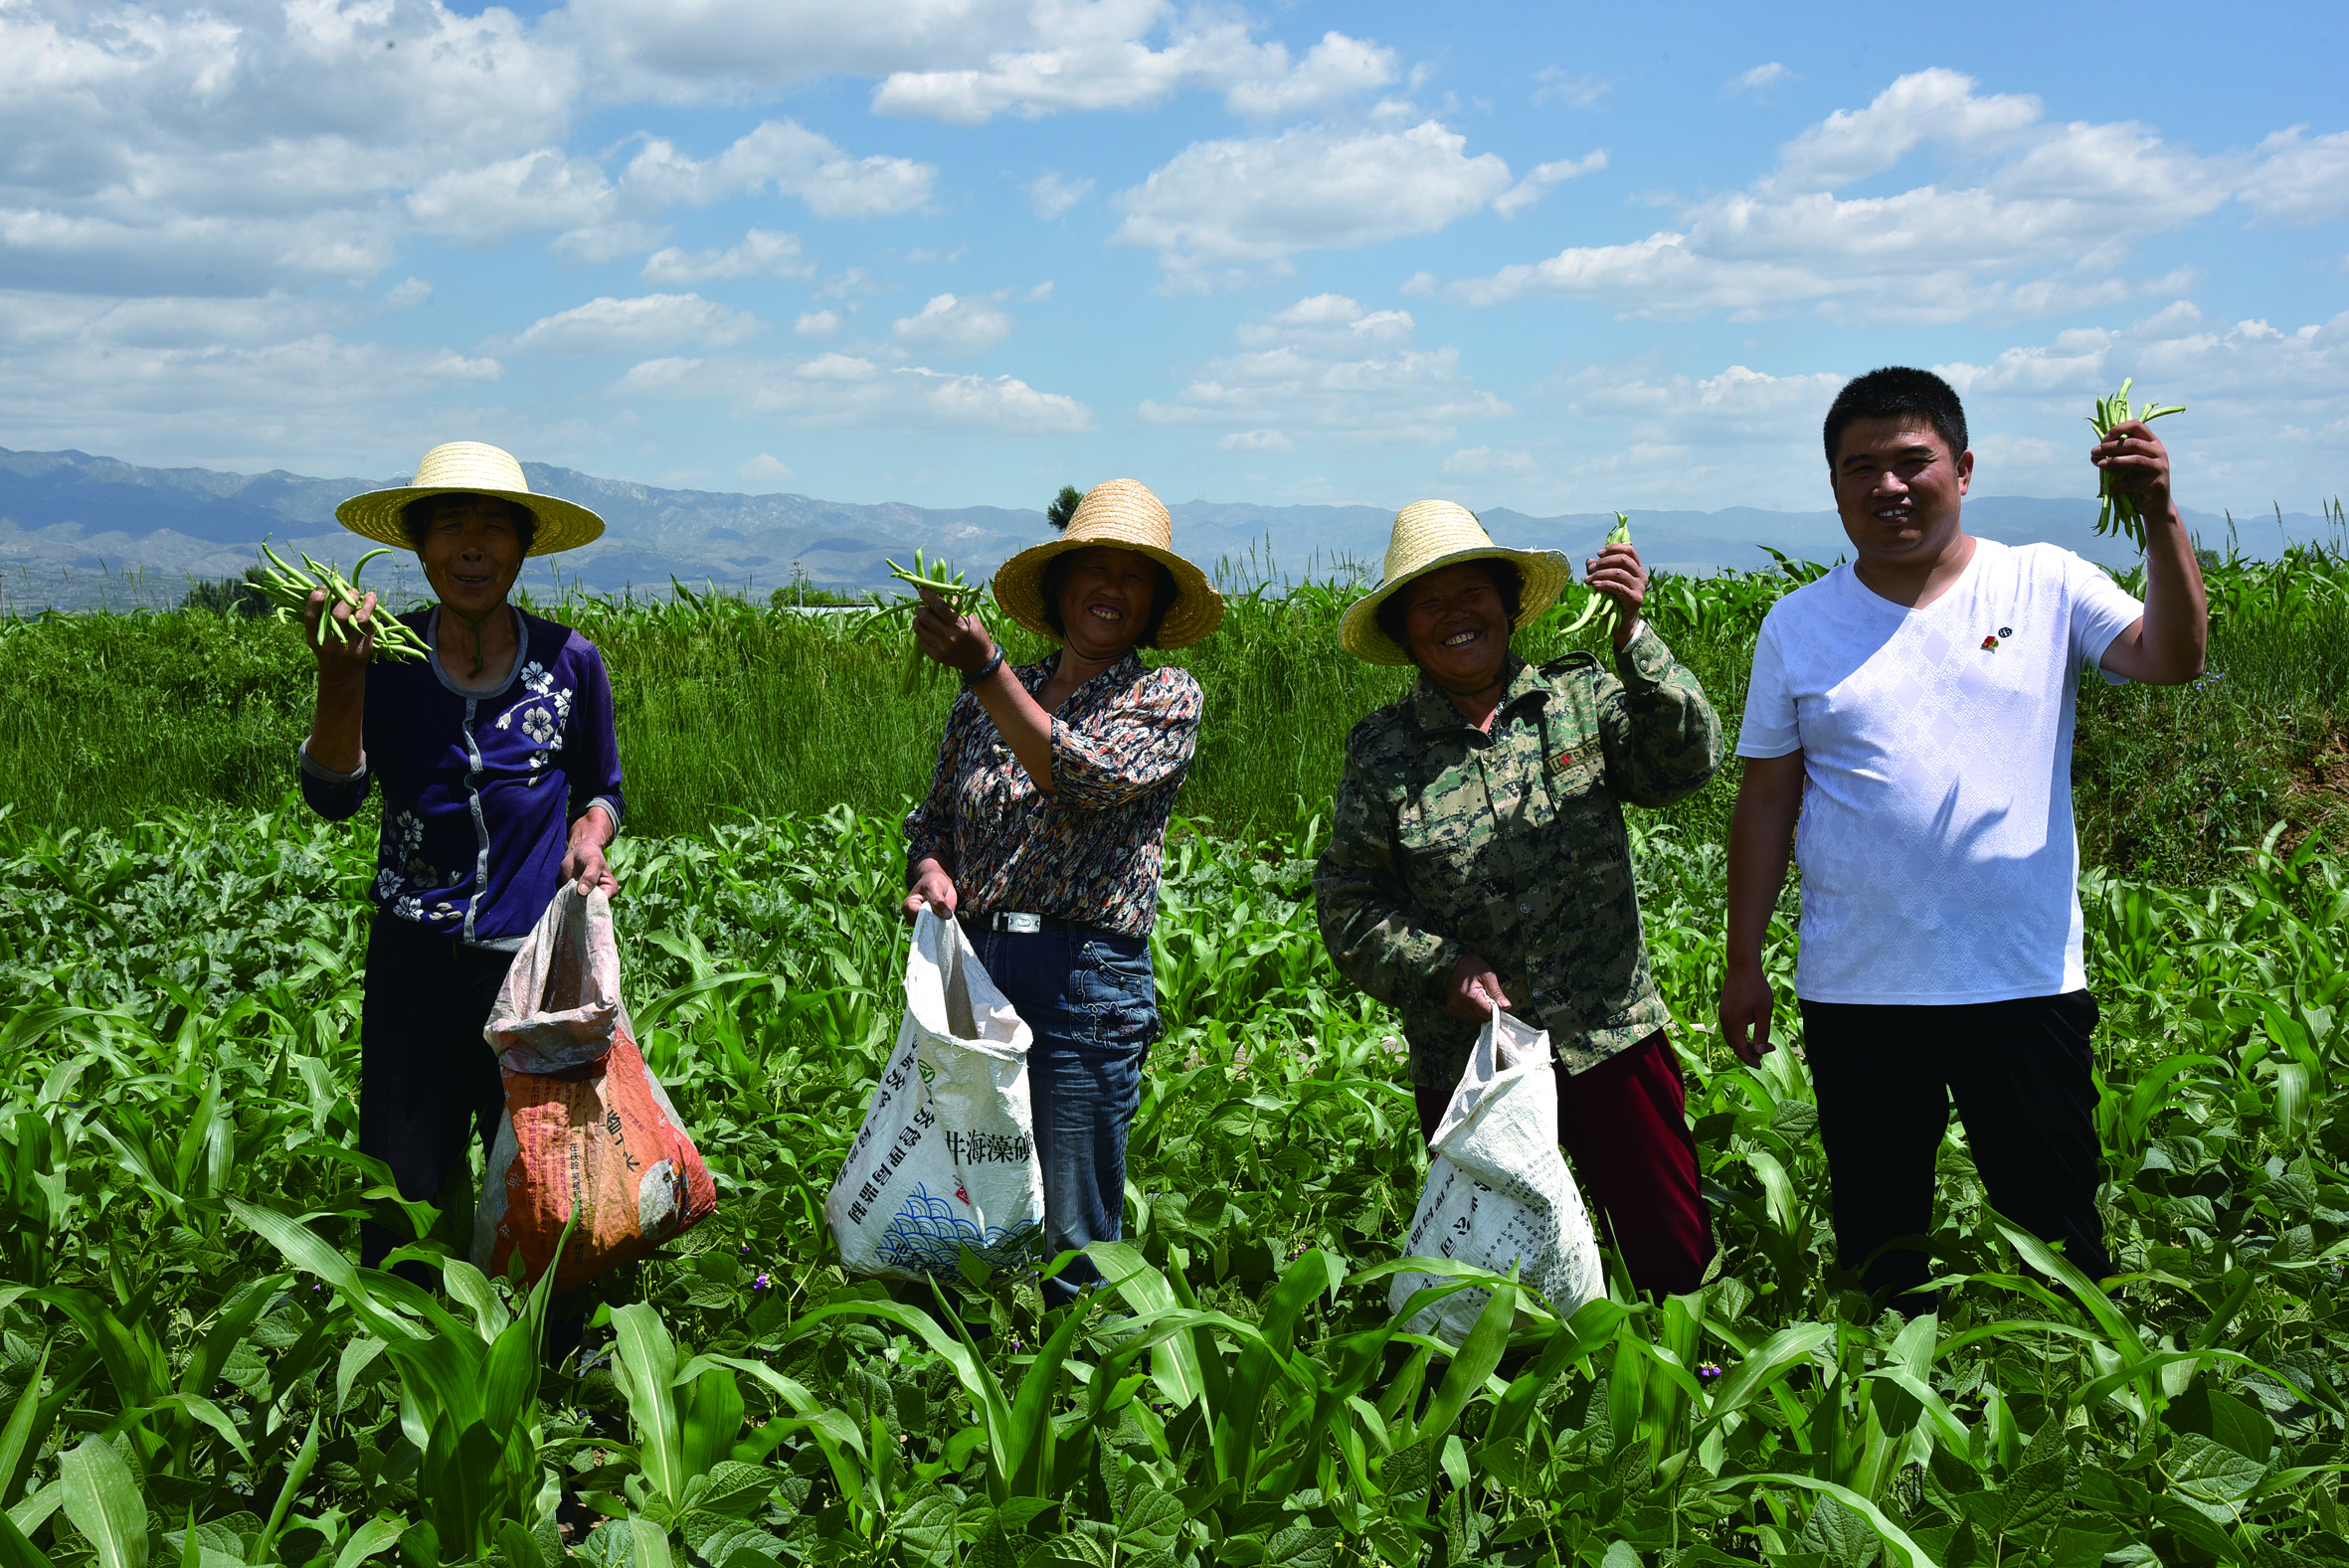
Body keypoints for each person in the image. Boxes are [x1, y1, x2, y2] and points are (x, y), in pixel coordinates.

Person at [1718, 367, 2208, 1309]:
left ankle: (2077, 1413)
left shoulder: (2047, 579)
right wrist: (1745, 961)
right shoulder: (1797, 624)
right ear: (1834, 487)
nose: (1888, 486)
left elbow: (2172, 657)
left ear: (1965, 467)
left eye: (1913, 461)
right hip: (1858, 987)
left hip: (2021, 979)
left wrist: (2160, 515)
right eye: (1861, 467)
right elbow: (1768, 802)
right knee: (1880, 1240)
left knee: (2059, 1237)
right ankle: (1890, 1434)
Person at [1315, 501, 1724, 1296]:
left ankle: (1677, 1406)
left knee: (1671, 1260)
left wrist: (1635, 637)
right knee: (1493, 1285)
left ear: (1508, 606)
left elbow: (1687, 763)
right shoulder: (1382, 752)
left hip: (1610, 1033)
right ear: (1405, 633)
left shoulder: (1579, 697)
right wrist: (1443, 969)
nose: (1455, 615)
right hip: (1475, 1062)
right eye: (1429, 603)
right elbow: (1349, 903)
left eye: (1472, 593)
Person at [296, 439, 624, 1287]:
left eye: (491, 526)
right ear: (419, 545)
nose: (470, 545)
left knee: (548, 1180)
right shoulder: (388, 659)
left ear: (521, 546)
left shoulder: (568, 662)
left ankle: (557, 1361)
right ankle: (405, 1362)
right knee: (403, 1185)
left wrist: (589, 835)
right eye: (450, 525)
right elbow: (333, 795)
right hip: (412, 963)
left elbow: (603, 789)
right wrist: (341, 678)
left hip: (530, 973)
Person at [900, 478, 1224, 1304]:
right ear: (1060, 585)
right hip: (977, 968)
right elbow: (932, 818)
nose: (1110, 589)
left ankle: (1082, 1416)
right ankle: (977, 1390)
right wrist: (931, 870)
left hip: (1085, 980)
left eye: (1134, 576)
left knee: (1075, 1235)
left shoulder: (1164, 697)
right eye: (1094, 568)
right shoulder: (984, 701)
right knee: (965, 1198)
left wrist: (986, 668)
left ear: (1152, 604)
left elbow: (1080, 776)